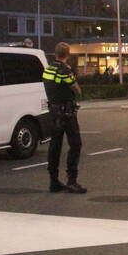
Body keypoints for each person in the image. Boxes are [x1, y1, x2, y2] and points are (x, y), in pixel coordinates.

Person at [42, 42, 86, 193]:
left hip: (53, 112)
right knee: (75, 144)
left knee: (55, 147)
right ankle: (71, 181)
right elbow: (77, 89)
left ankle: (53, 181)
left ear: (55, 54)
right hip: (66, 113)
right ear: (67, 54)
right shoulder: (64, 71)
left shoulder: (48, 69)